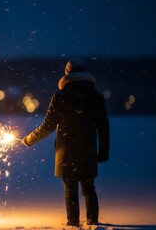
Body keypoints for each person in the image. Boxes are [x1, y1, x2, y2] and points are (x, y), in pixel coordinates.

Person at [21, 59, 110, 227]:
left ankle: (73, 223)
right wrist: (104, 150)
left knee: (70, 189)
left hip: (67, 151)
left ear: (67, 73)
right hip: (88, 149)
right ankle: (93, 223)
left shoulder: (61, 96)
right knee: (89, 188)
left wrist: (28, 140)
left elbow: (48, 126)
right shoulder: (96, 96)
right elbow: (103, 125)